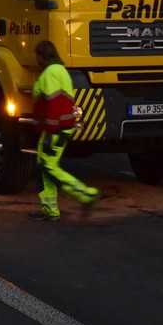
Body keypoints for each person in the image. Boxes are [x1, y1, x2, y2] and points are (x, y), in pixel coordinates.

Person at [28, 40, 99, 221]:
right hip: (60, 127)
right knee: (45, 167)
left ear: (42, 57)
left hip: (55, 129)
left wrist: (49, 132)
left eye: (37, 56)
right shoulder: (60, 70)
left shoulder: (51, 73)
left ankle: (86, 194)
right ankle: (50, 211)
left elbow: (54, 104)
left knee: (49, 167)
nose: (36, 59)